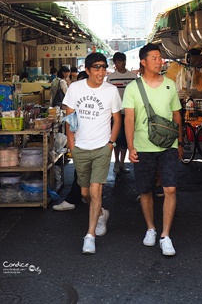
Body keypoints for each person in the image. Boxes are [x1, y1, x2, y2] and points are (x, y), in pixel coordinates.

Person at [122, 43, 182, 257]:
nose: (160, 62)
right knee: (145, 190)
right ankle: (151, 228)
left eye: (161, 58)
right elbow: (129, 119)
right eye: (155, 58)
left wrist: (180, 143)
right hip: (143, 147)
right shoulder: (132, 88)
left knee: (170, 189)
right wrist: (130, 146)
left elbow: (177, 116)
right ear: (143, 62)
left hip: (168, 146)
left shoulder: (170, 85)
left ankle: (165, 235)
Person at [63, 53, 122, 254]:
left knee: (96, 191)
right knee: (85, 192)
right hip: (80, 148)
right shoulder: (75, 88)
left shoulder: (111, 90)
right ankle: (102, 213)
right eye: (96, 68)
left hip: (101, 148)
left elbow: (117, 118)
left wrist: (111, 143)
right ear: (87, 70)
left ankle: (90, 235)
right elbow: (69, 118)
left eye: (104, 67)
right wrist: (72, 146)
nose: (101, 72)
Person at [52, 71, 90, 212]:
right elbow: (71, 123)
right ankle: (81, 198)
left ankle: (78, 199)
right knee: (82, 173)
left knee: (83, 173)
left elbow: (71, 123)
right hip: (83, 143)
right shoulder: (78, 98)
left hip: (90, 143)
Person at [106, 52, 139, 174]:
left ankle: (122, 162)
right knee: (116, 138)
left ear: (124, 62)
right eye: (115, 63)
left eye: (119, 62)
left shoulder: (133, 77)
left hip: (129, 113)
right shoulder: (111, 77)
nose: (117, 65)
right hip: (116, 113)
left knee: (126, 138)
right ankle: (116, 163)